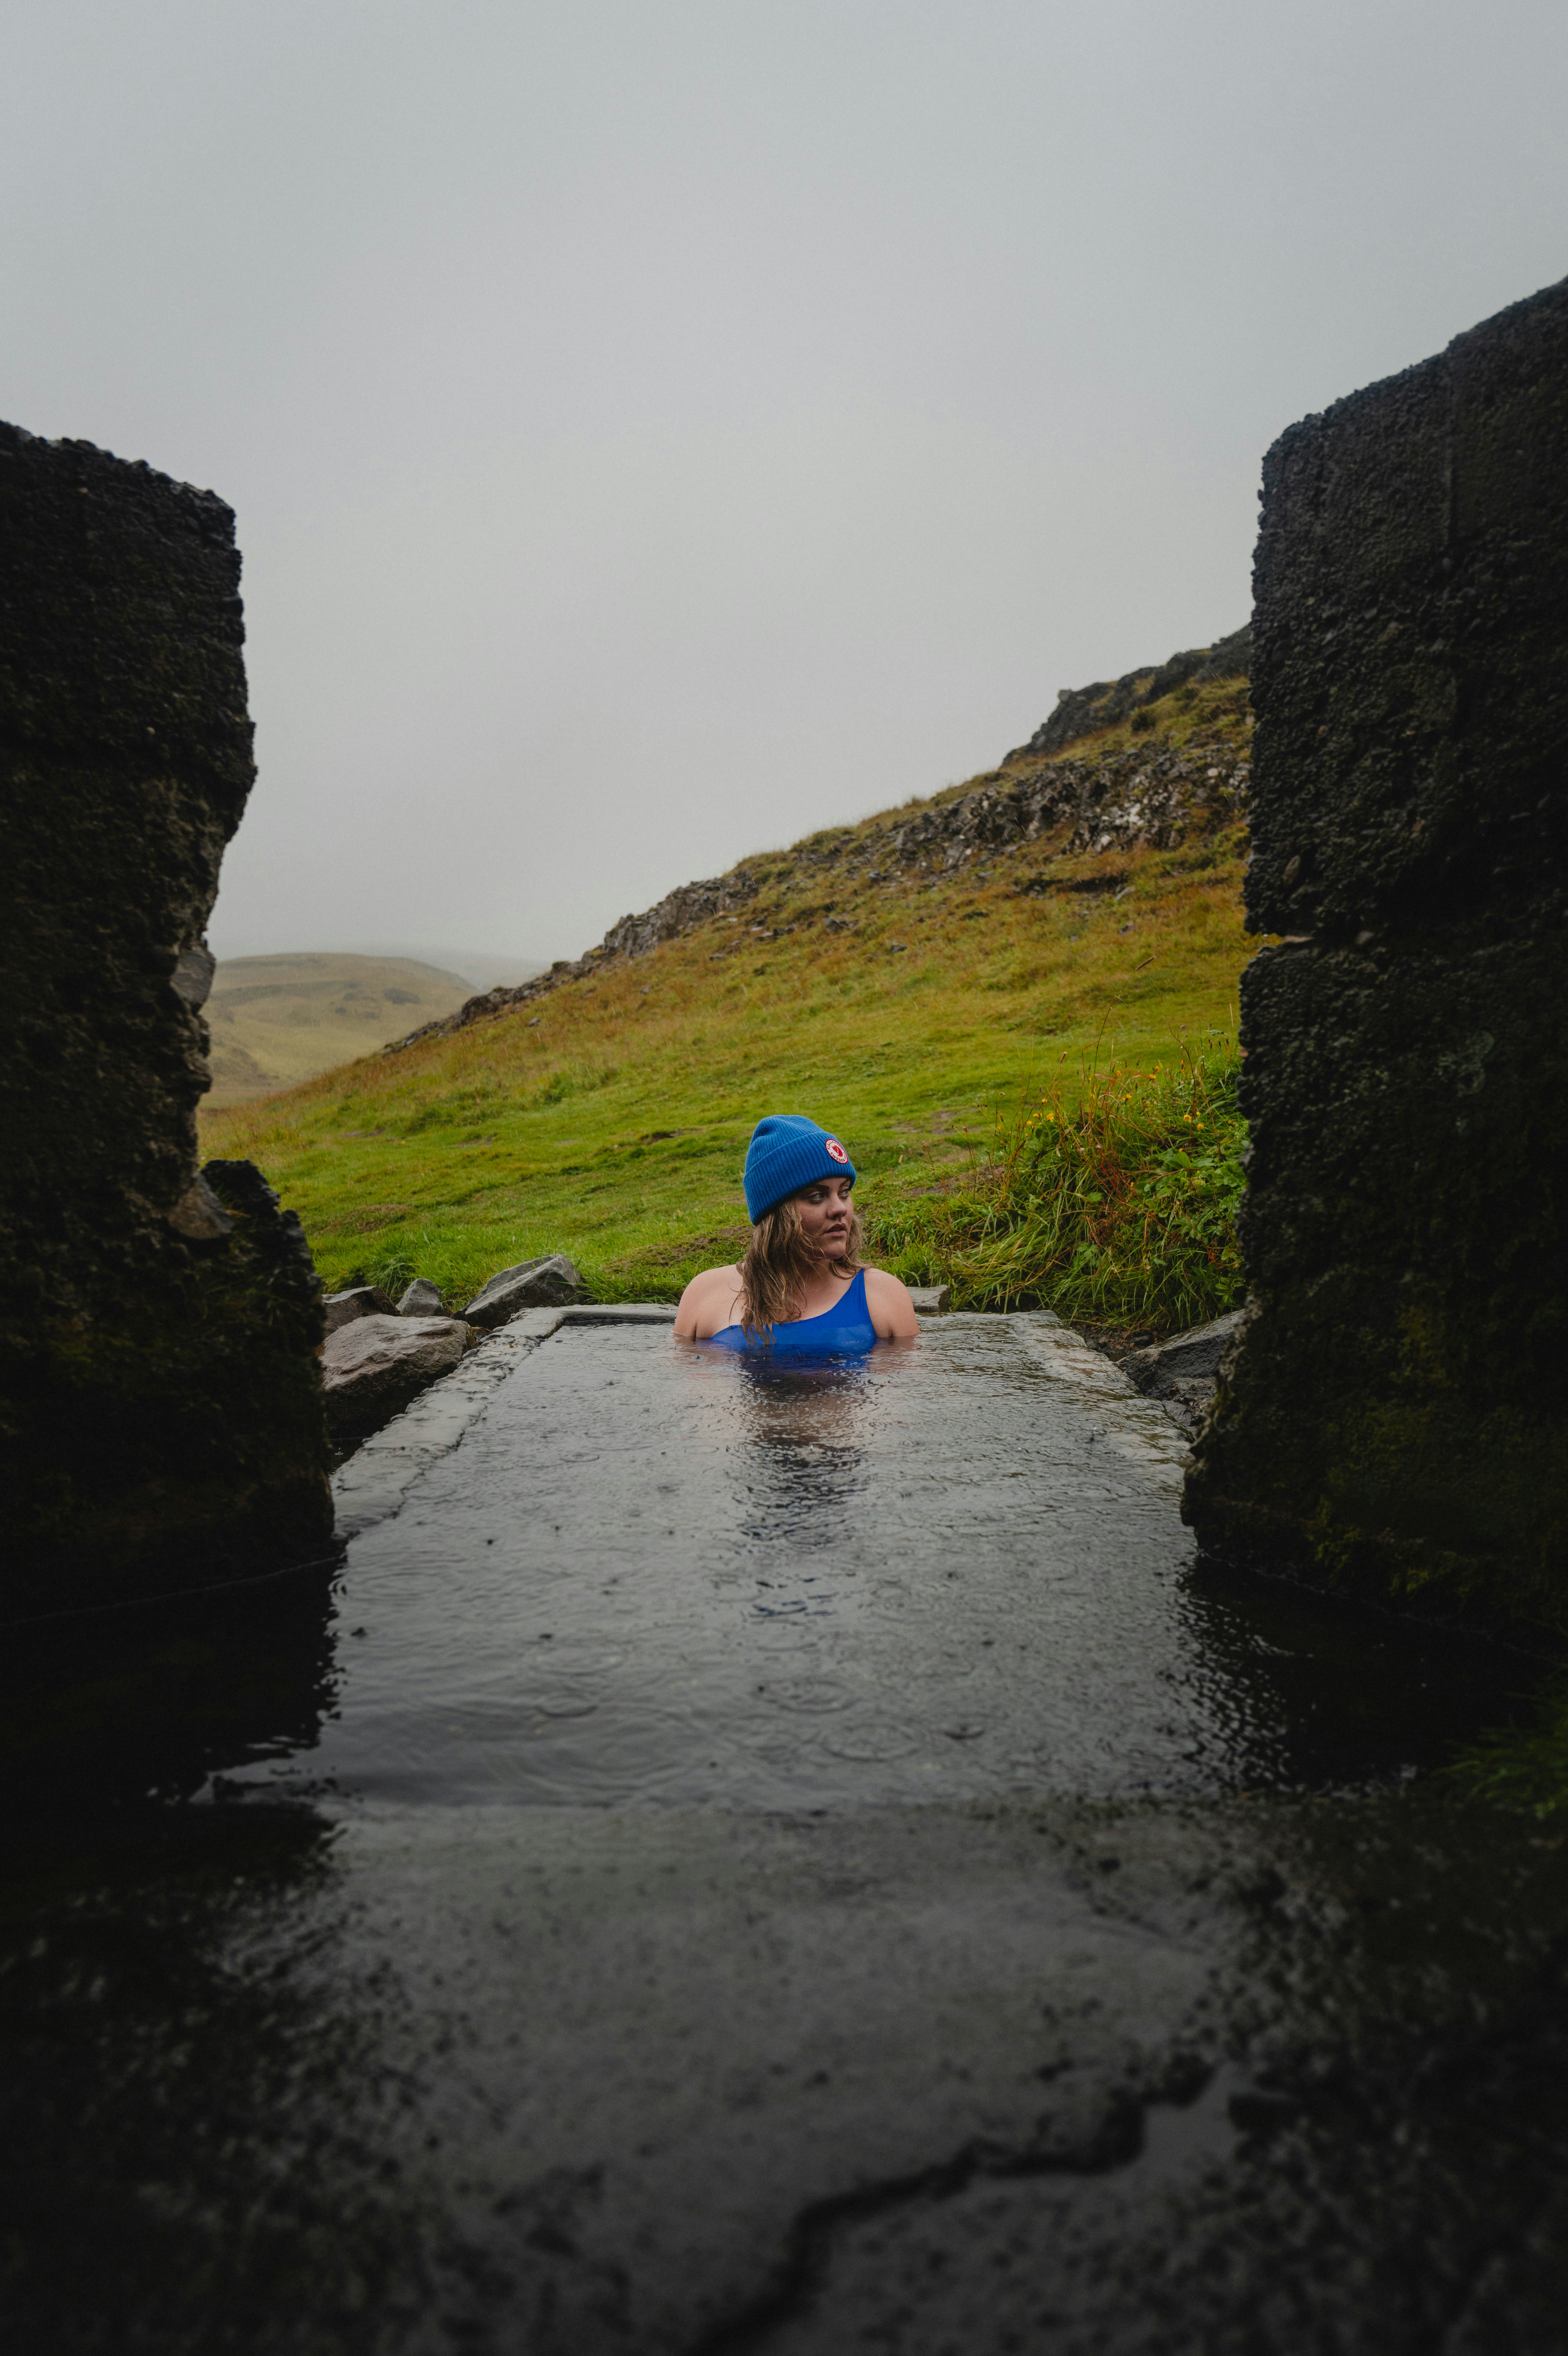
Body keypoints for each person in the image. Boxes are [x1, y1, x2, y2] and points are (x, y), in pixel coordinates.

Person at [674, 1115, 920, 1350]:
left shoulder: (883, 1295)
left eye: (844, 1192)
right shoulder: (706, 1293)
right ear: (776, 1214)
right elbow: (688, 1387)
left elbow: (900, 1389)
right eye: (817, 1196)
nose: (840, 1209)